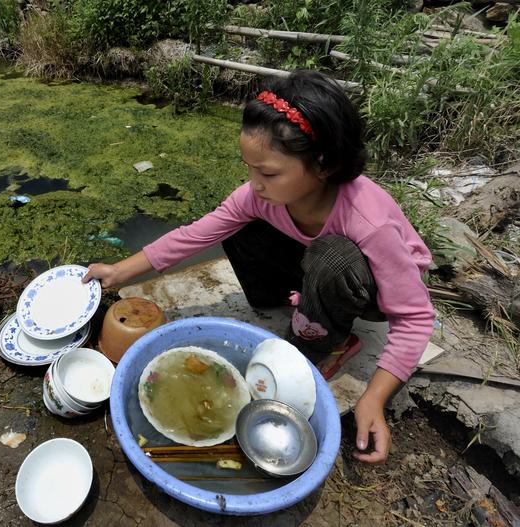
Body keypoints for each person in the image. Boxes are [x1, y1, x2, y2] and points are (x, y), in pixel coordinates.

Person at [82, 69, 435, 465]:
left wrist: (375, 396)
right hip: (317, 260)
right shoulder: (261, 195)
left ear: (323, 164)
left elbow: (416, 317)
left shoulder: (368, 220)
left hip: (371, 290)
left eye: (267, 172)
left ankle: (329, 339)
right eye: (249, 167)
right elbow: (197, 234)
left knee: (332, 256)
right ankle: (306, 301)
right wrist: (120, 271)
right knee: (239, 225)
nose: (255, 183)